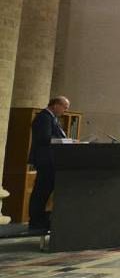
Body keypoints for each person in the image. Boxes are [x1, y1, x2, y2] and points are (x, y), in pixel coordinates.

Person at [27, 96, 71, 230]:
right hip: (46, 160)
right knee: (41, 191)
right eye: (64, 107)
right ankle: (36, 220)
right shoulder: (44, 117)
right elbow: (45, 138)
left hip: (51, 160)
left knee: (45, 191)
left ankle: (40, 218)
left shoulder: (52, 118)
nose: (65, 111)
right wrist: (65, 141)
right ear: (56, 105)